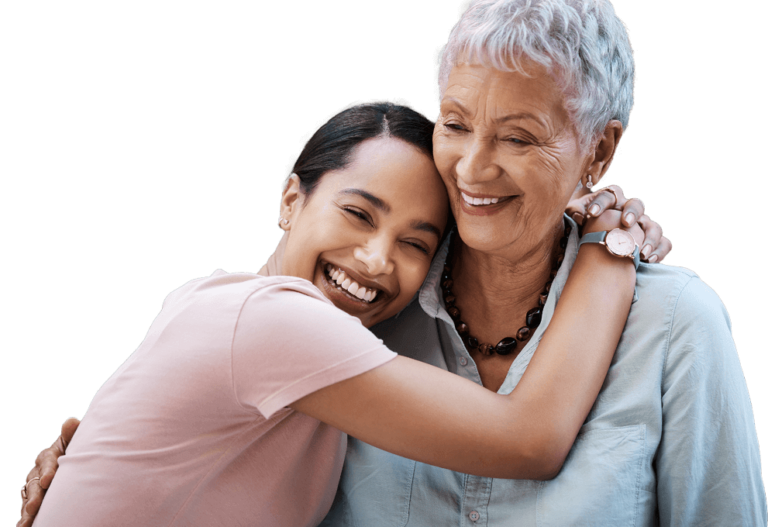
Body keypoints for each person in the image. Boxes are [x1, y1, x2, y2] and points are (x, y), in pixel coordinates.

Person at [22, 0, 765, 526]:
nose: (474, 168)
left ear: (599, 151)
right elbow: (526, 438)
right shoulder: (357, 321)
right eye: (456, 123)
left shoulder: (675, 328)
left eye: (519, 136)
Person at [18, 99, 655, 527]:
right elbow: (529, 441)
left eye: (415, 243)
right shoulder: (274, 323)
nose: (377, 260)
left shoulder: (217, 300)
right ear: (292, 199)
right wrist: (607, 245)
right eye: (358, 213)